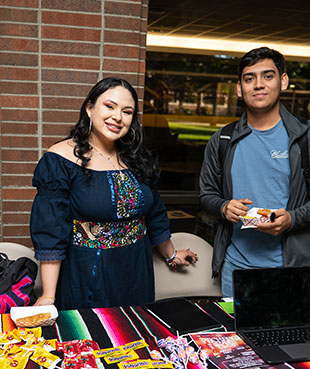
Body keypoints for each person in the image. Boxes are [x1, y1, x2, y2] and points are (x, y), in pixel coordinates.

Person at [31, 77, 197, 310]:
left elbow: (155, 214)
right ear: (90, 108)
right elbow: (51, 231)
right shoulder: (60, 159)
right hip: (88, 270)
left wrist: (170, 254)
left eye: (127, 112)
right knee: (94, 338)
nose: (117, 117)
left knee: (135, 336)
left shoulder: (137, 159)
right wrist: (48, 296)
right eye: (109, 106)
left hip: (136, 267)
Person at [199, 47, 310, 301]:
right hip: (236, 268)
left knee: (289, 340)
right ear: (239, 89)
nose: (258, 85)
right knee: (238, 340)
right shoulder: (222, 139)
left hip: (293, 268)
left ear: (283, 81)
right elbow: (207, 194)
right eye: (249, 78)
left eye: (268, 76)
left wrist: (292, 219)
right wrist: (223, 207)